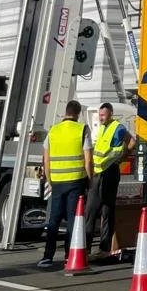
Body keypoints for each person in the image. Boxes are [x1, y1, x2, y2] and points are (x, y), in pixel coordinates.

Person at [39, 100, 93, 269]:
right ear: (78, 114)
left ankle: (47, 256)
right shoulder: (82, 129)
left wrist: (49, 179)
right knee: (72, 220)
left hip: (57, 181)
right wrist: (90, 179)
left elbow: (46, 159)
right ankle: (69, 256)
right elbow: (88, 159)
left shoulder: (53, 131)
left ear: (65, 112)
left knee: (53, 219)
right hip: (76, 180)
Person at [85, 103, 134, 260]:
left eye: (103, 115)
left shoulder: (117, 127)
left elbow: (131, 142)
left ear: (110, 114)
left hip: (110, 173)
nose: (101, 117)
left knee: (106, 210)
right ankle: (86, 248)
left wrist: (121, 159)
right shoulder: (102, 128)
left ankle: (104, 248)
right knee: (91, 210)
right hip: (99, 173)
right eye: (100, 115)